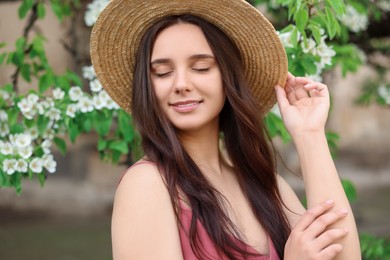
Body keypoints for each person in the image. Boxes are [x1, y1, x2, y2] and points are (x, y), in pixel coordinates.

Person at [90, 0, 360, 259]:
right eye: (162, 73)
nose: (181, 83)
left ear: (227, 77)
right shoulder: (147, 185)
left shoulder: (266, 186)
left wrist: (309, 135)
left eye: (201, 67)